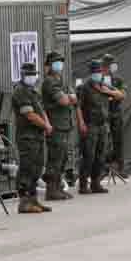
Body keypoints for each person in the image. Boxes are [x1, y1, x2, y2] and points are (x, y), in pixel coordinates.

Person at [5, 61, 52, 214]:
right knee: (27, 168)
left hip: (37, 135)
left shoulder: (34, 91)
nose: (32, 77)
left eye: (34, 74)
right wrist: (45, 126)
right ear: (23, 75)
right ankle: (24, 202)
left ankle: (33, 200)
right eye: (29, 75)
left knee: (37, 168)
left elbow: (41, 110)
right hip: (27, 136)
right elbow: (30, 115)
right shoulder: (20, 91)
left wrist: (47, 123)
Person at [80, 62, 118, 194]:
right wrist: (81, 123)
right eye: (96, 72)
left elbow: (121, 95)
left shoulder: (104, 85)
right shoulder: (85, 87)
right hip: (90, 124)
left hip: (103, 125)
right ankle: (83, 184)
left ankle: (96, 183)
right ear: (91, 73)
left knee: (101, 155)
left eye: (100, 71)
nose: (98, 74)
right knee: (88, 155)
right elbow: (78, 107)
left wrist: (108, 91)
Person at [44, 60, 77, 200]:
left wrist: (68, 97)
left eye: (60, 63)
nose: (59, 66)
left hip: (64, 124)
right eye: (56, 63)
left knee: (63, 158)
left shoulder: (62, 81)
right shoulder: (50, 82)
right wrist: (69, 97)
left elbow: (74, 99)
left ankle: (58, 187)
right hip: (56, 125)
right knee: (55, 158)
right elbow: (63, 100)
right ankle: (51, 190)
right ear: (49, 66)